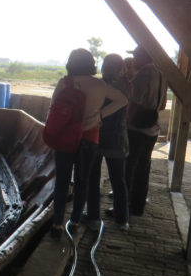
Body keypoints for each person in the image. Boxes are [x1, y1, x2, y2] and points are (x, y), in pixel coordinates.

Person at [50, 49, 127, 238]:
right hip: (90, 138)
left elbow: (53, 108)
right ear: (92, 64)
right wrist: (101, 114)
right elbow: (123, 100)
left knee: (61, 182)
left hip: (65, 138)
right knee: (82, 181)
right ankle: (75, 220)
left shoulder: (64, 82)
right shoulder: (100, 85)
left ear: (71, 63)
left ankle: (57, 223)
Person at [84, 54, 132, 232]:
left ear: (104, 67)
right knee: (118, 180)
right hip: (117, 138)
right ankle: (122, 220)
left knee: (92, 178)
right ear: (121, 68)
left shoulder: (99, 85)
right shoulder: (126, 86)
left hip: (96, 136)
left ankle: (94, 217)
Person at [125, 45, 167, 216]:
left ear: (146, 57)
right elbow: (163, 105)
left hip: (136, 129)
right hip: (152, 128)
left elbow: (133, 102)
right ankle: (137, 206)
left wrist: (125, 121)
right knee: (143, 167)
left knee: (128, 167)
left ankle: (123, 205)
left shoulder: (144, 73)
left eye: (136, 56)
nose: (134, 59)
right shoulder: (162, 74)